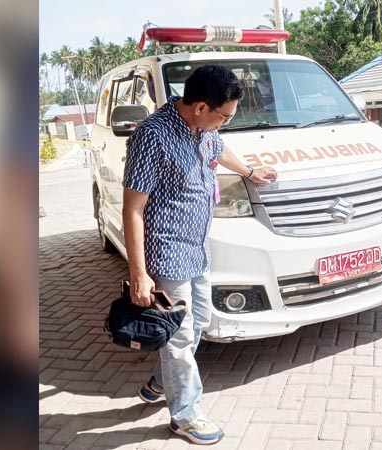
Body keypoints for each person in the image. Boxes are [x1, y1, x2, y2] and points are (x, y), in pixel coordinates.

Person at [122, 64, 277, 445]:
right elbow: (133, 209)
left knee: (202, 319)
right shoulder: (153, 137)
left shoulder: (204, 130)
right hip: (167, 250)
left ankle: (163, 381)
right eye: (222, 116)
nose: (224, 124)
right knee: (179, 336)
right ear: (201, 107)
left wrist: (251, 171)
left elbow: (220, 151)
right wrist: (139, 273)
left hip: (197, 247)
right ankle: (186, 415)